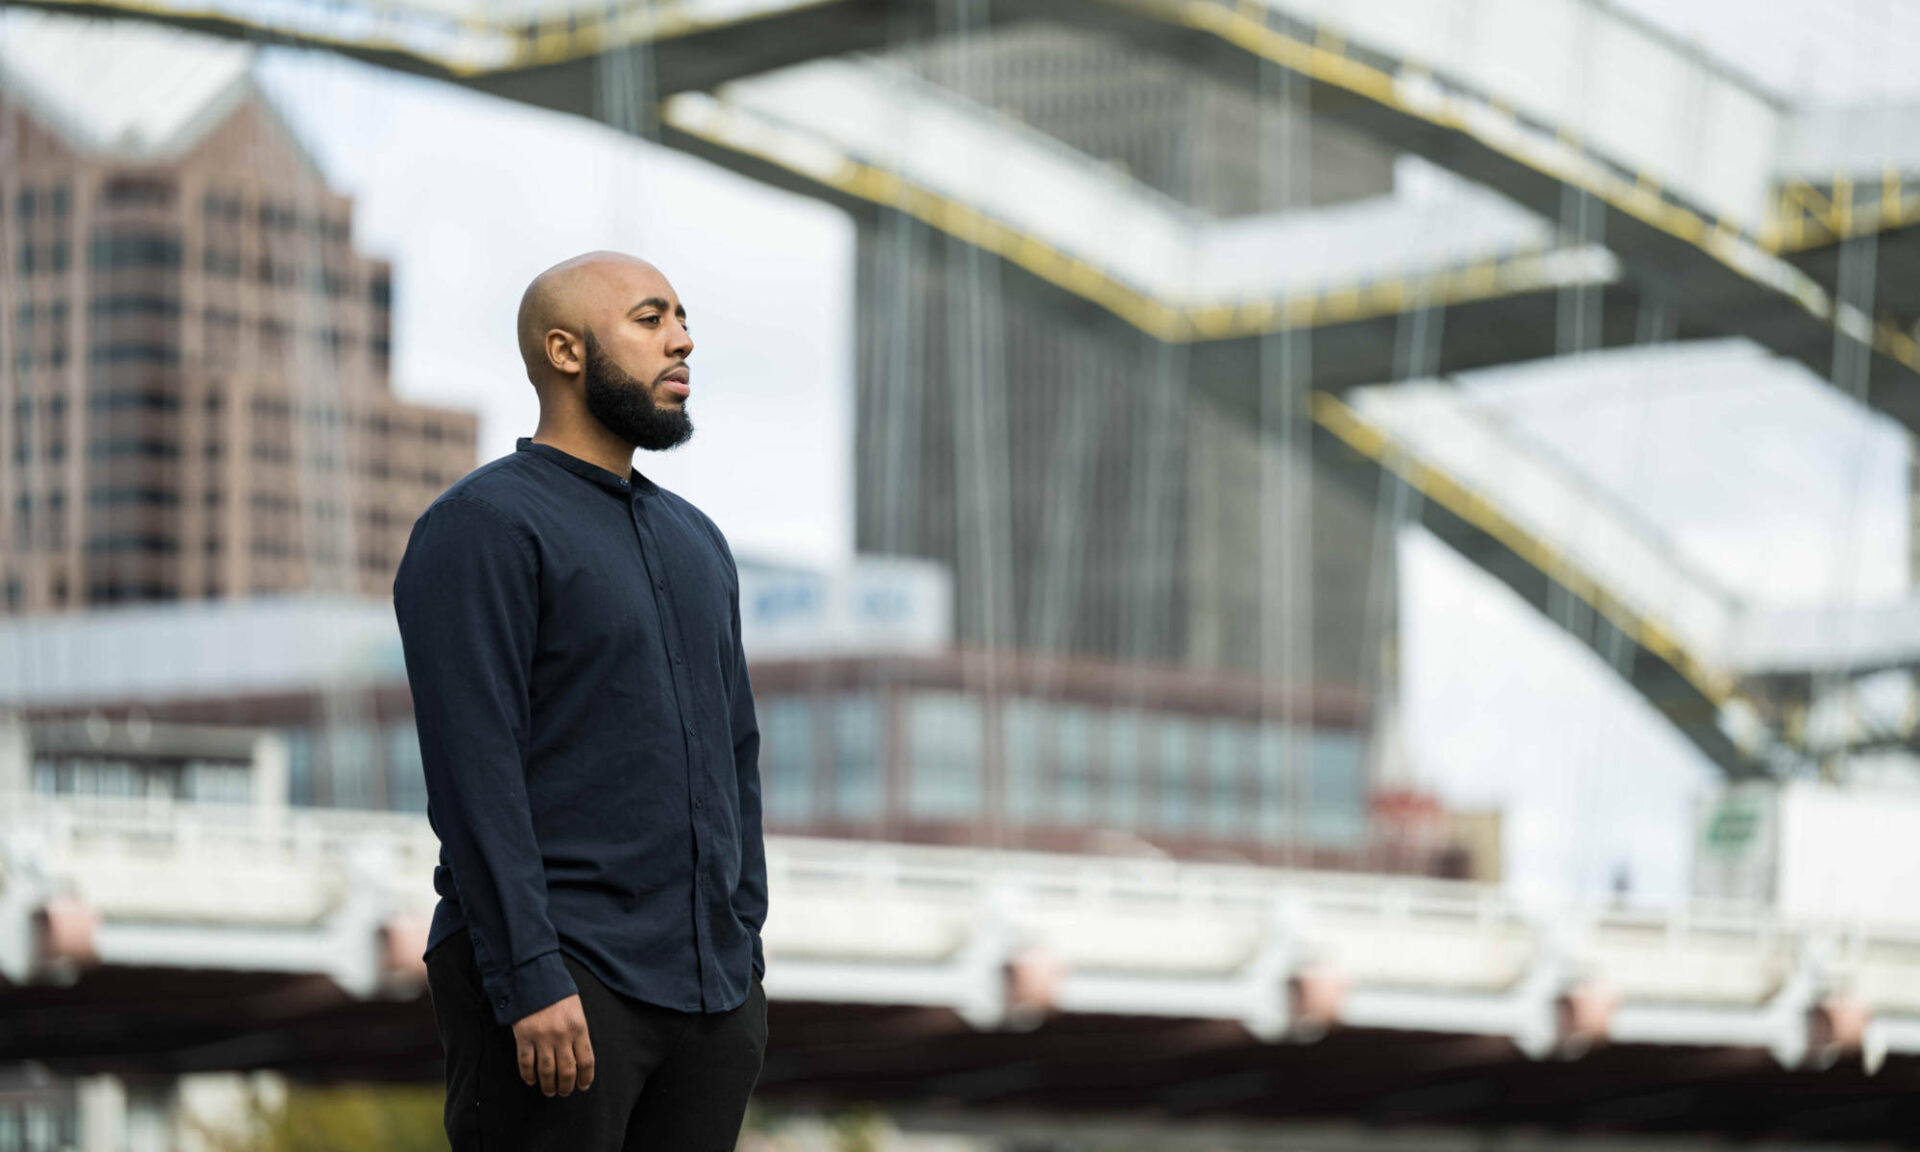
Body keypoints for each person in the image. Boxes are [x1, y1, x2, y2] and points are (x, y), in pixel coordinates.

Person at [393, 250, 768, 1150]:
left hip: (710, 998)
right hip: (563, 979)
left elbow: (737, 756)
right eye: (650, 320)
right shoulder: (481, 528)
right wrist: (529, 973)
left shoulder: (698, 541)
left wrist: (742, 947)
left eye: (682, 319)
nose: (681, 342)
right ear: (565, 351)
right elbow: (473, 770)